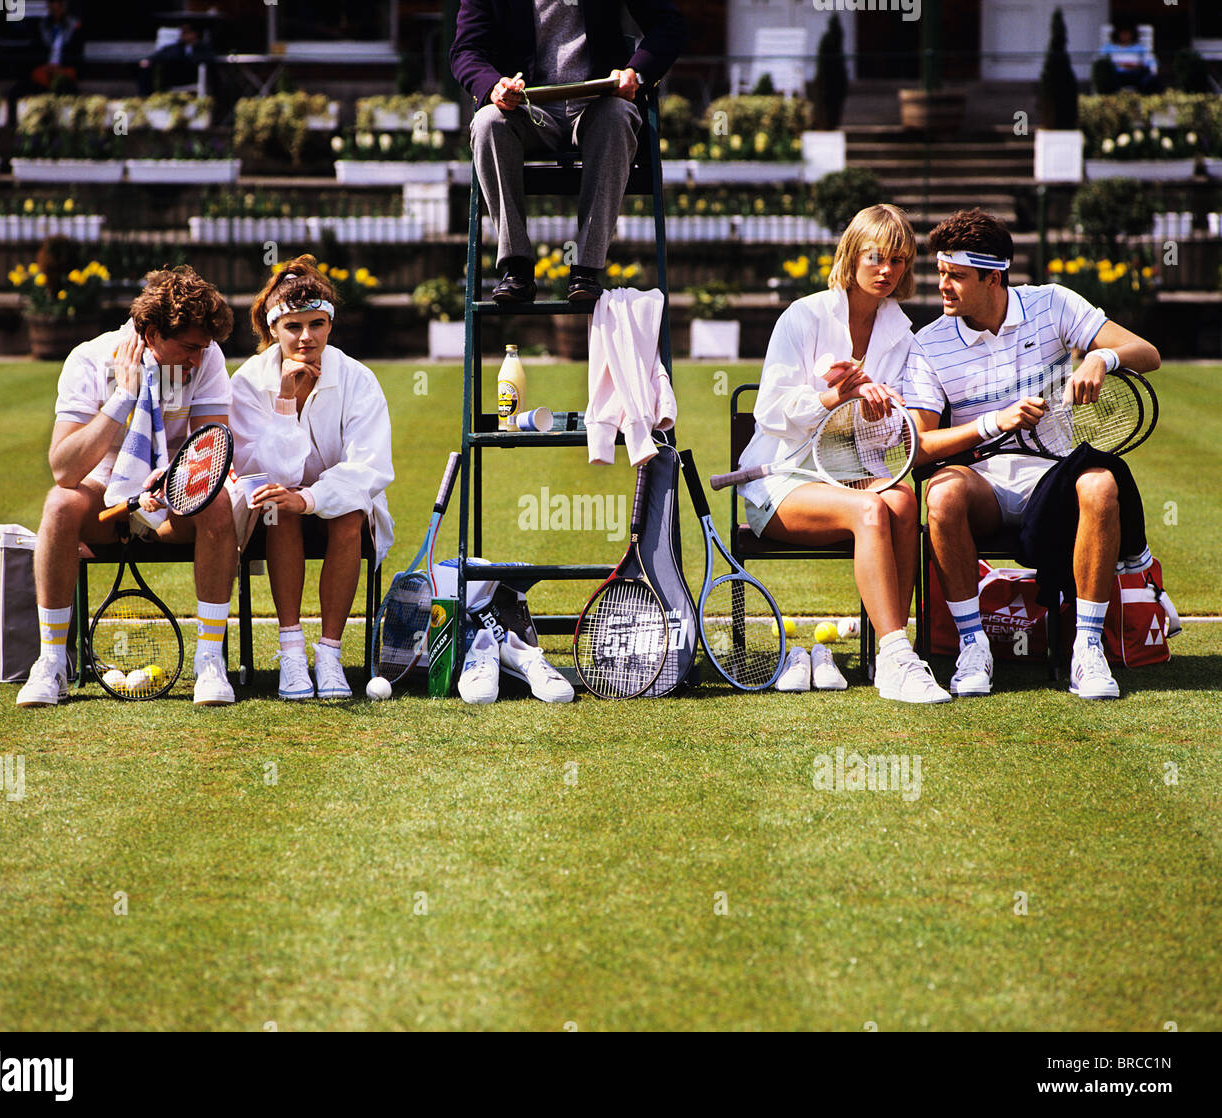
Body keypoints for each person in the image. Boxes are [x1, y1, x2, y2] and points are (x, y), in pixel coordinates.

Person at [901, 209, 1161, 700]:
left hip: (1053, 478)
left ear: (992, 276)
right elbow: (919, 448)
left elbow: (1146, 353)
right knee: (942, 495)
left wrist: (1100, 358)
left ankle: (1086, 648)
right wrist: (991, 424)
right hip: (981, 485)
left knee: (1102, 483)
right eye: (941, 273)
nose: (943, 286)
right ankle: (972, 646)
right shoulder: (927, 344)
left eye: (955, 276)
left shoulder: (1053, 304)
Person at [739, 204, 950, 704]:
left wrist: (879, 415)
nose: (887, 271)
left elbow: (890, 445)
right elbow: (768, 412)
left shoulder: (903, 334)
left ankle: (890, 657)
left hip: (851, 475)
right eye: (876, 257)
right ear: (851, 255)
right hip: (783, 480)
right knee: (875, 508)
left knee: (900, 500)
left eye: (898, 260)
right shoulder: (804, 315)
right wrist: (833, 398)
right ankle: (900, 657)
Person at [17, 267, 239, 708]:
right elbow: (64, 469)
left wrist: (174, 477)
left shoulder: (207, 358)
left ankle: (209, 661)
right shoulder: (89, 358)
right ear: (153, 332)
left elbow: (212, 453)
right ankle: (52, 662)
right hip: (105, 501)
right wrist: (123, 397)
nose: (198, 359)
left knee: (217, 502)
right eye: (190, 347)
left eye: (204, 348)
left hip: (171, 500)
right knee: (59, 504)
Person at [229, 258, 395, 701]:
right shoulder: (247, 382)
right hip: (272, 510)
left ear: (330, 323)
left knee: (349, 513)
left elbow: (370, 467)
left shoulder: (359, 379)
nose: (307, 337)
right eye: (294, 327)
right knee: (277, 508)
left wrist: (312, 499)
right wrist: (285, 400)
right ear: (273, 329)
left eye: (317, 324)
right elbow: (262, 473)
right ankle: (291, 651)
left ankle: (330, 655)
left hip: (338, 505)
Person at [450, 0, 685, 303]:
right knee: (486, 123)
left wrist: (634, 72)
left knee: (618, 117)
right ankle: (517, 268)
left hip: (597, 104)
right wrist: (492, 85)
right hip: (525, 110)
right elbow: (465, 50)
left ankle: (586, 269)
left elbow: (670, 25)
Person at [138, 22, 216, 97]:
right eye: (181, 31)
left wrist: (188, 60)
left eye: (185, 32)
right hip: (175, 81)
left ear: (194, 34)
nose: (182, 34)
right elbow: (159, 55)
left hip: (195, 79)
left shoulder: (203, 48)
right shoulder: (175, 48)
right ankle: (146, 96)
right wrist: (148, 60)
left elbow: (208, 59)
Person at [1098, 22, 1160, 93]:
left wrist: (1138, 66)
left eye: (1128, 33)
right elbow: (1100, 61)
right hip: (1116, 75)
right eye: (1123, 33)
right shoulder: (1109, 48)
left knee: (1150, 80)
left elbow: (1152, 61)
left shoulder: (1139, 48)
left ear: (1132, 35)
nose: (1125, 36)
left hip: (1135, 74)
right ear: (1117, 34)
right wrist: (1117, 65)